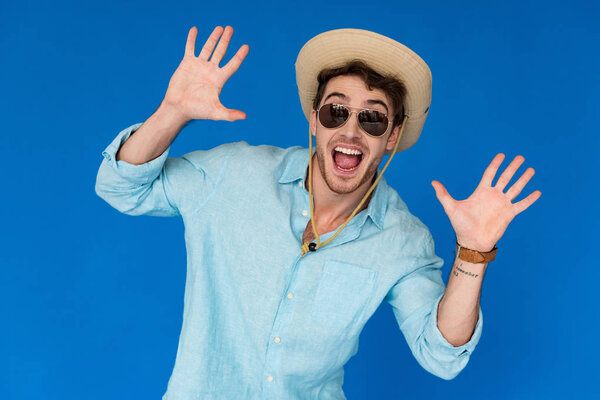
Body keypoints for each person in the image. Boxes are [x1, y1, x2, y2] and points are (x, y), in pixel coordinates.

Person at [95, 26, 541, 399]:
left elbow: (440, 355)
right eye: (336, 111)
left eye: (373, 119)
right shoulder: (235, 173)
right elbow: (120, 187)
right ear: (314, 118)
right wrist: (172, 113)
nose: (350, 130)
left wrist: (473, 252)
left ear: (392, 135)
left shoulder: (402, 238)